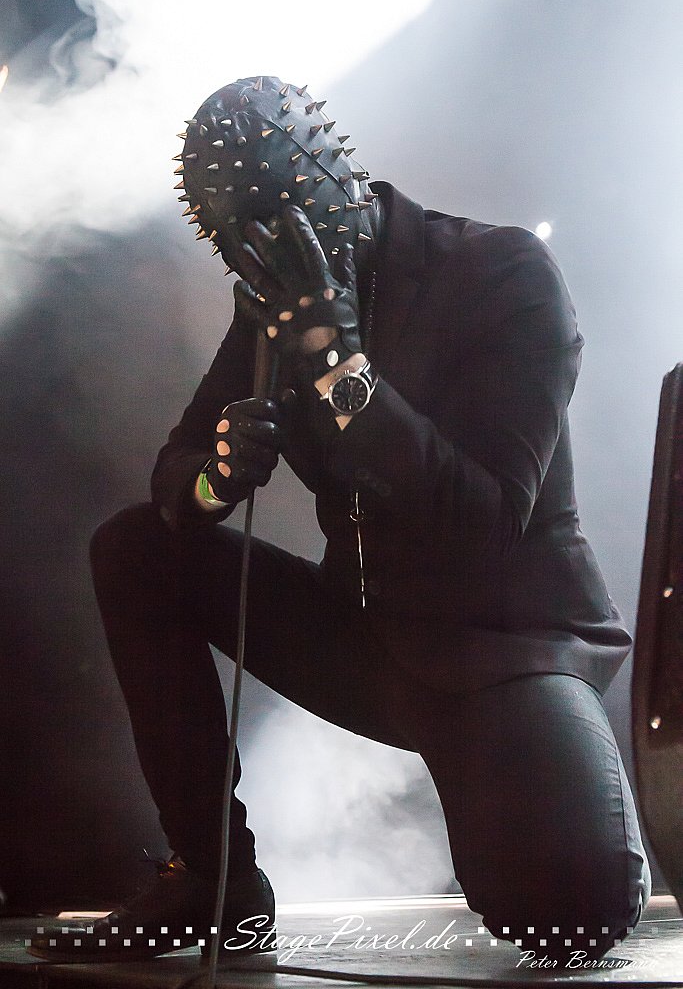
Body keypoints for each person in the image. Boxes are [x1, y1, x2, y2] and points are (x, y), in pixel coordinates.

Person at [28, 76, 650, 967]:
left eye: (279, 235)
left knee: (573, 916)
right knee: (135, 548)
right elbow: (178, 469)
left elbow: (485, 518)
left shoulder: (500, 271)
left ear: (336, 181)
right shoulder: (273, 302)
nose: (267, 264)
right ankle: (213, 880)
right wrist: (216, 476)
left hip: (500, 652)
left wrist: (337, 364)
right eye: (243, 250)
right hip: (363, 639)